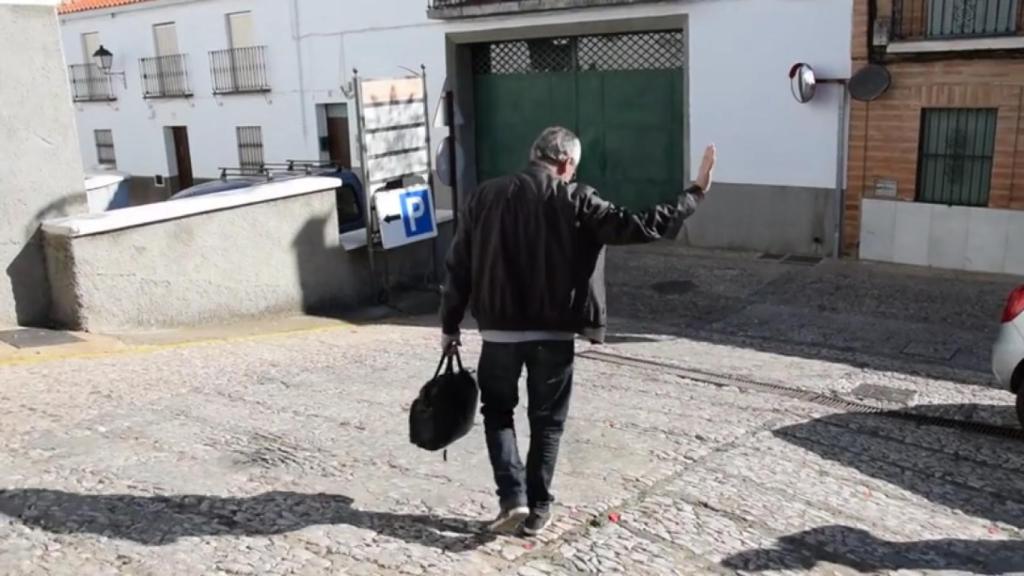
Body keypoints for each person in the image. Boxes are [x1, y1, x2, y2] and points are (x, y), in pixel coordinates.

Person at [440, 127, 716, 536]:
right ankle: (537, 510)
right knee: (547, 422)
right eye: (573, 168)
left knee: (498, 414)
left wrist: (450, 324)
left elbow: (458, 263)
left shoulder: (485, 195)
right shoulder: (578, 198)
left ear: (535, 155)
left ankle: (511, 497)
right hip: (554, 333)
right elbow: (638, 225)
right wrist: (695, 192)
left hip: (498, 332)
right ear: (566, 163)